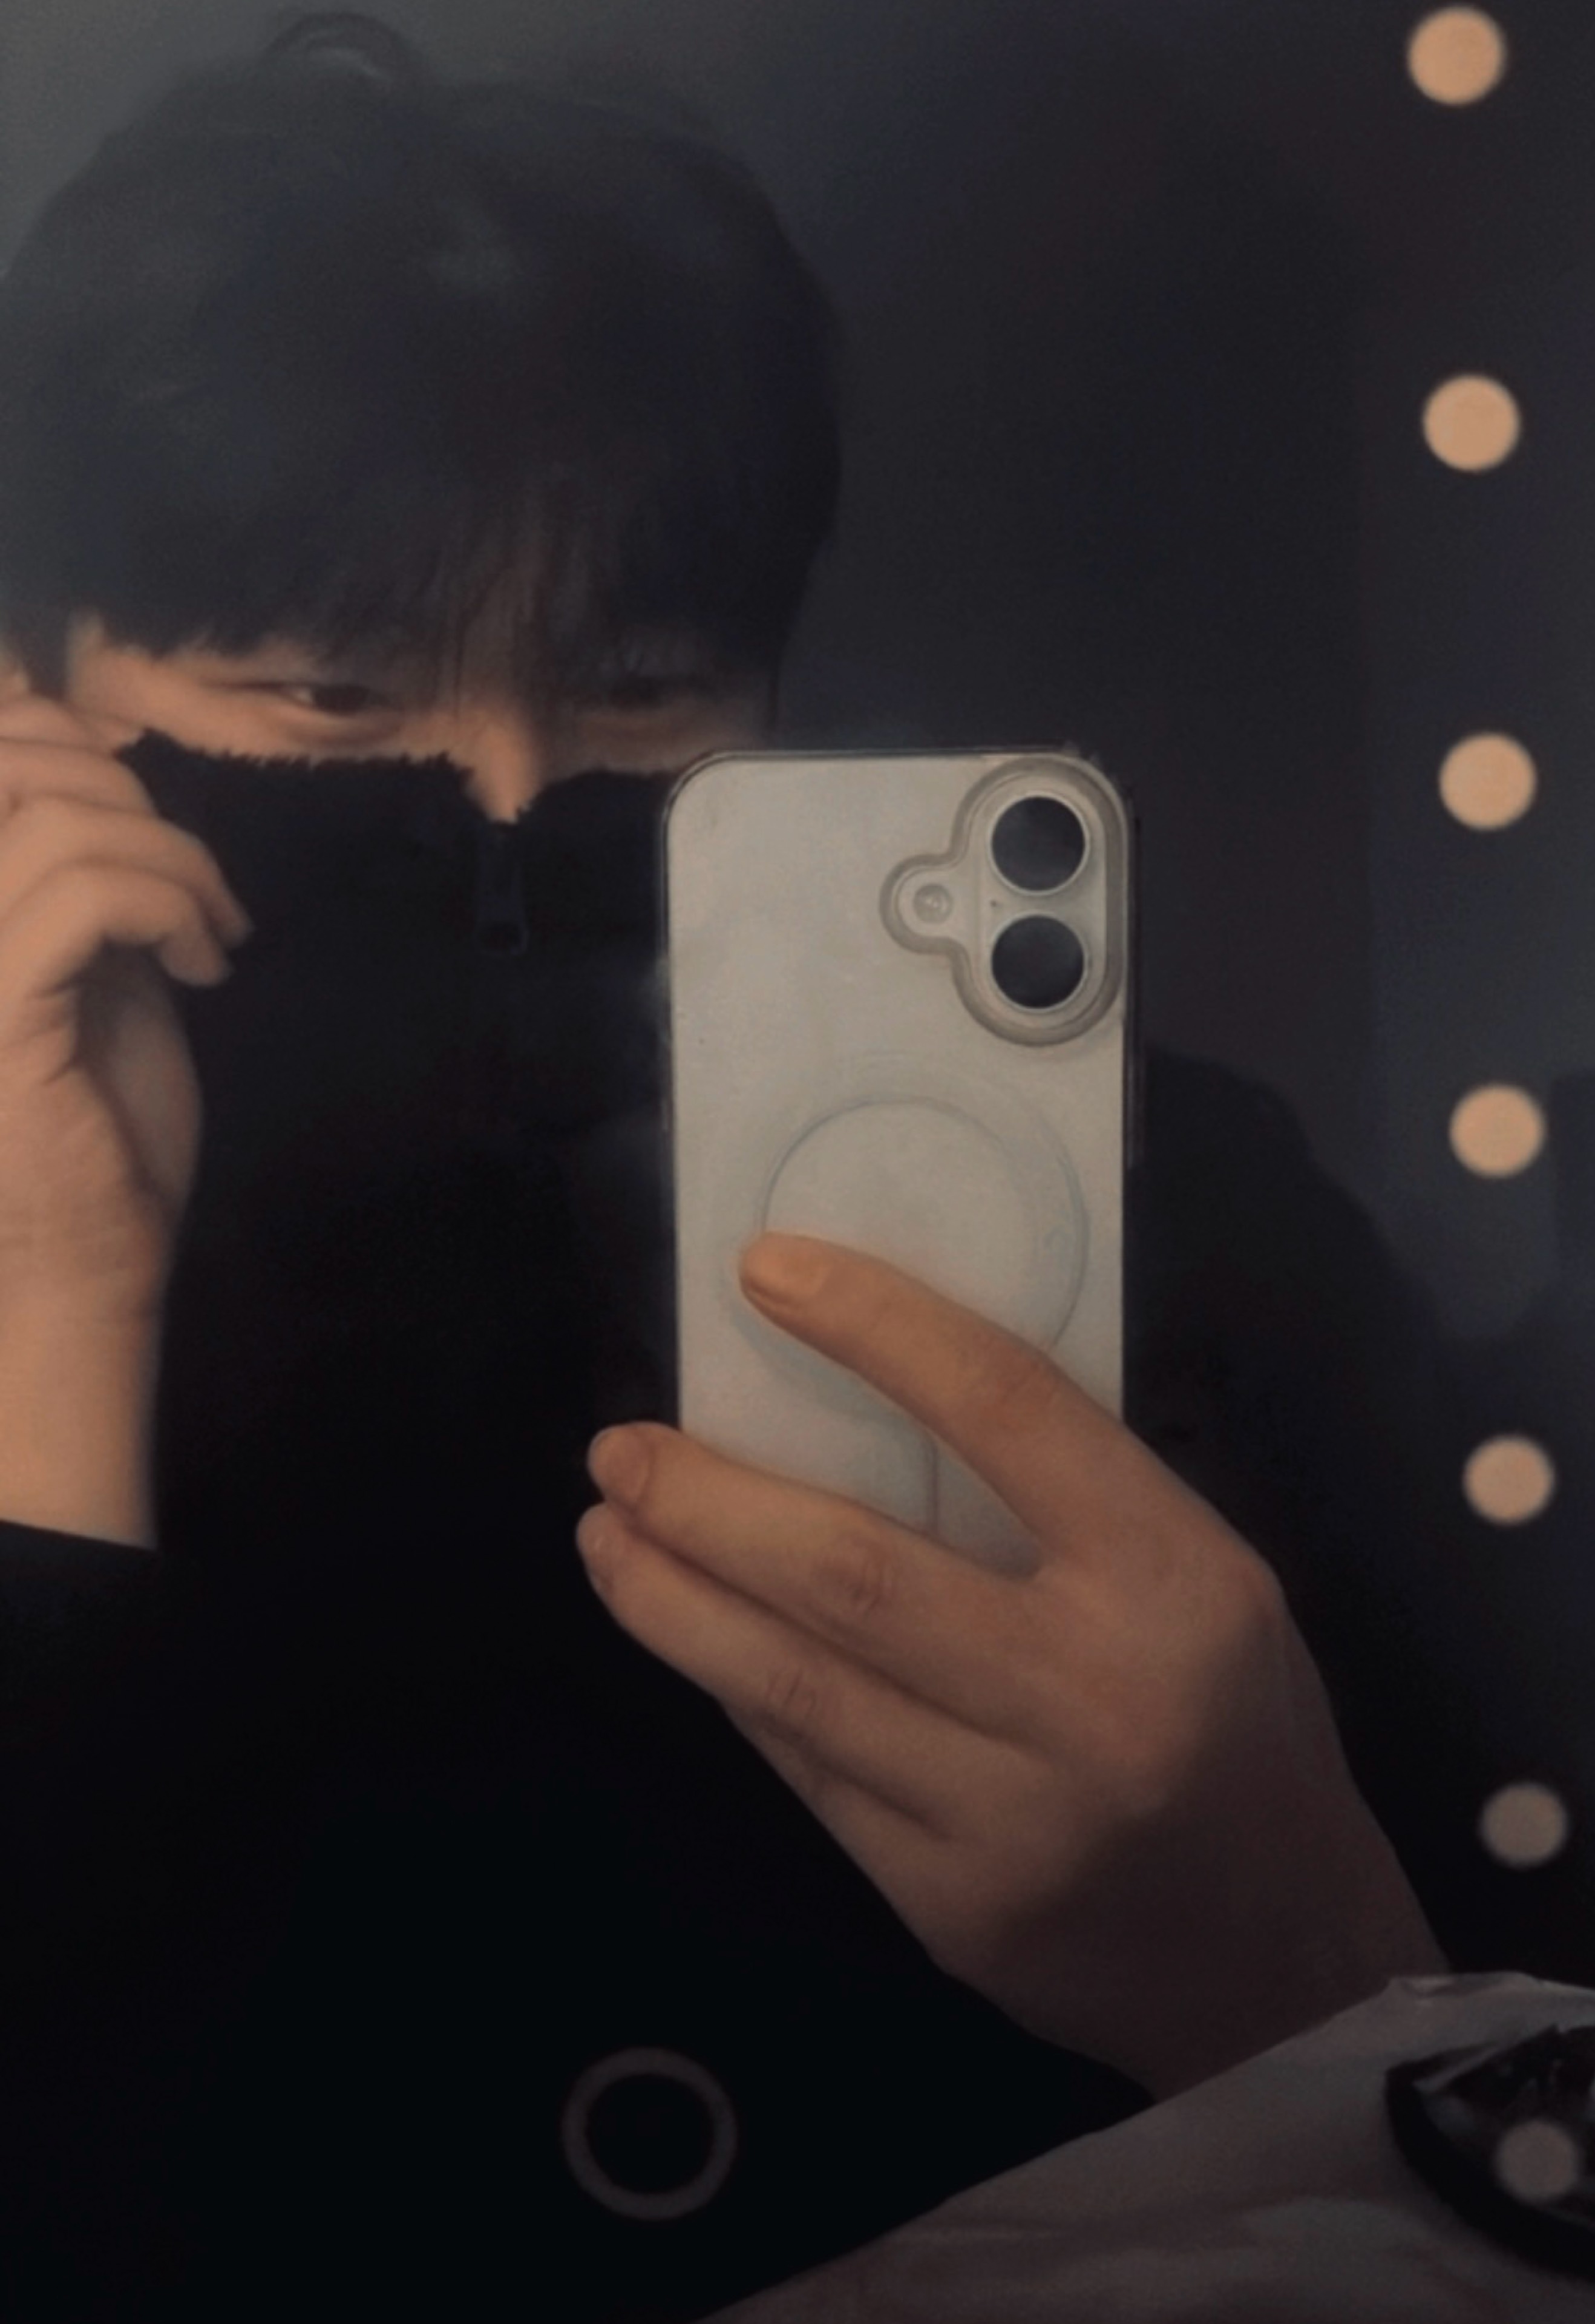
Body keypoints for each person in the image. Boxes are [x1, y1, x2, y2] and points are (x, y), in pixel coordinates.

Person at [0, 17, 1443, 2320]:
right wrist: (51, 1324)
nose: (504, 798)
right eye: (332, 699)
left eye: (641, 693)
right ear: (39, 690)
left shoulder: (1193, 1212)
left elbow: (1554, 2155)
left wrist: (1293, 1965)